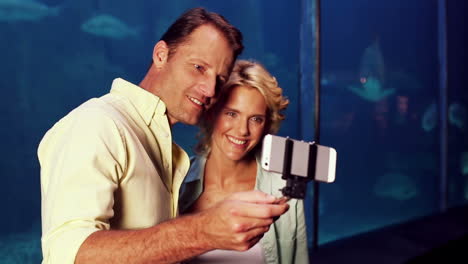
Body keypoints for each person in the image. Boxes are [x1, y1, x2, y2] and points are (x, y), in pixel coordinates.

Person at [38, 8, 289, 264]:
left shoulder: (166, 151)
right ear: (161, 55)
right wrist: (202, 232)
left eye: (219, 79)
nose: (210, 89)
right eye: (199, 67)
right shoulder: (98, 123)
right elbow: (67, 254)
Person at [179, 60, 309, 264]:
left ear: (267, 124)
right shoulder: (176, 185)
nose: (242, 131)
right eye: (231, 114)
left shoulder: (283, 189)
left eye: (256, 119)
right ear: (211, 113)